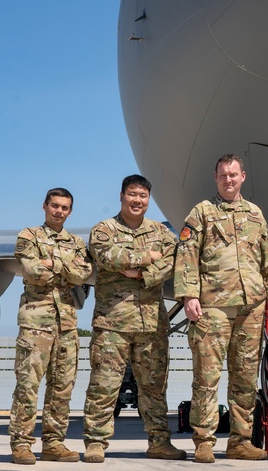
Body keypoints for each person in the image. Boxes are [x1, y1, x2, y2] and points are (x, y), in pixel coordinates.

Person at [175, 154, 268, 464]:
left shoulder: (255, 214)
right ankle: (204, 440)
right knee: (206, 377)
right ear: (216, 178)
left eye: (234, 174)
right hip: (212, 306)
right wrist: (189, 295)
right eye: (223, 175)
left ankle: (240, 440)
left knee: (244, 378)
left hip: (251, 306)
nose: (229, 179)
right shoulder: (202, 212)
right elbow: (186, 254)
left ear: (243, 177)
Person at [81, 174, 185, 463]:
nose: (137, 200)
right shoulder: (104, 229)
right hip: (111, 323)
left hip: (151, 324)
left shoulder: (162, 234)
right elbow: (106, 256)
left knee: (154, 387)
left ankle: (159, 442)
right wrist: (147, 256)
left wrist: (141, 273)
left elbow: (172, 262)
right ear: (121, 196)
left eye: (143, 196)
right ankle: (95, 443)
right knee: (104, 385)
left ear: (148, 199)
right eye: (132, 194)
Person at [8, 187, 93, 465]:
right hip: (36, 323)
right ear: (44, 206)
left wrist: (51, 262)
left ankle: (53, 443)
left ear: (70, 211)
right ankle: (21, 444)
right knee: (28, 385)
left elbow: (83, 274)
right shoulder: (28, 236)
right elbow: (32, 271)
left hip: (67, 324)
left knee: (62, 388)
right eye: (54, 205)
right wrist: (65, 265)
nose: (59, 211)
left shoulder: (77, 243)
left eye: (65, 207)